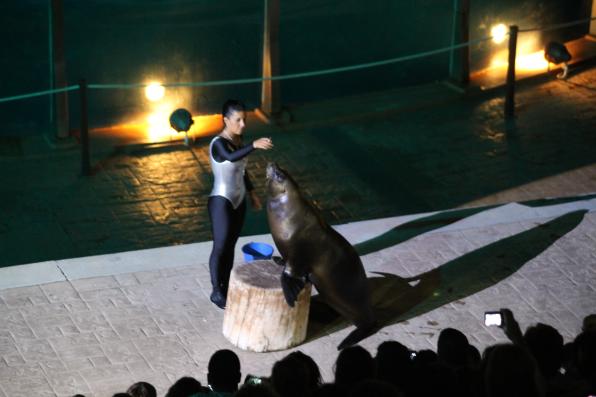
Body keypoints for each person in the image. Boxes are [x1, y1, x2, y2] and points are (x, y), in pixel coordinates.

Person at [208, 99, 273, 309]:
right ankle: (216, 292)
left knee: (230, 247)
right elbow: (230, 157)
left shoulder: (238, 139)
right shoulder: (218, 143)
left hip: (239, 200)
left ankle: (225, 286)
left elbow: (241, 169)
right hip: (221, 201)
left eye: (244, 120)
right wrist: (253, 145)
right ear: (226, 120)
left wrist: (252, 193)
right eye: (238, 120)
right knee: (220, 247)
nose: (243, 125)